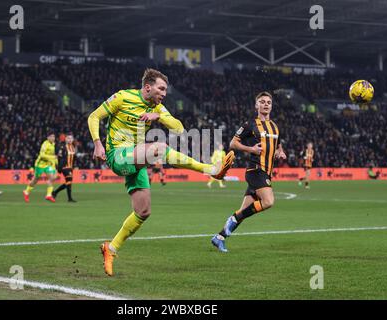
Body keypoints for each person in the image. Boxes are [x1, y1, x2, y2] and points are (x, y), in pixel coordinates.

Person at [88, 68, 235, 276]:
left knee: (143, 211)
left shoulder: (158, 107)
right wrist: (97, 144)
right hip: (117, 155)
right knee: (159, 148)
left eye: (166, 90)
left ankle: (110, 249)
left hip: (137, 157)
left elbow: (179, 128)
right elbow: (94, 117)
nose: (164, 93)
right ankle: (211, 170)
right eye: (161, 89)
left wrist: (157, 116)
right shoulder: (122, 97)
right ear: (148, 87)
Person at [211, 92, 286, 252]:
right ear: (256, 105)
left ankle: (219, 237)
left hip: (266, 172)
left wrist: (280, 151)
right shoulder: (249, 125)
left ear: (271, 106)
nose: (266, 104)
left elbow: (278, 143)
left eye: (268, 102)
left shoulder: (275, 126)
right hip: (256, 171)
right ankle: (232, 219)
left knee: (244, 212)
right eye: (262, 102)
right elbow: (233, 143)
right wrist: (250, 149)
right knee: (268, 202)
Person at [23, 132, 58, 203]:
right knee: (35, 180)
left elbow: (53, 155)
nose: (53, 138)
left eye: (53, 136)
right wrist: (52, 157)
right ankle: (26, 191)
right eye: (51, 136)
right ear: (47, 138)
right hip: (40, 164)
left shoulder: (53, 144)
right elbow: (42, 155)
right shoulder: (45, 144)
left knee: (53, 177)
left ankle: (48, 195)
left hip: (48, 164)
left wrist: (55, 162)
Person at [52, 133, 77, 202]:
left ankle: (55, 192)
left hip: (70, 167)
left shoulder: (73, 146)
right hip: (64, 167)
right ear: (65, 139)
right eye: (68, 138)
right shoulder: (62, 147)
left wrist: (74, 166)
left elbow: (74, 158)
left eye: (71, 138)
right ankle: (69, 198)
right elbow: (59, 157)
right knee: (69, 181)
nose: (70, 140)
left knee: (68, 182)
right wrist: (59, 167)